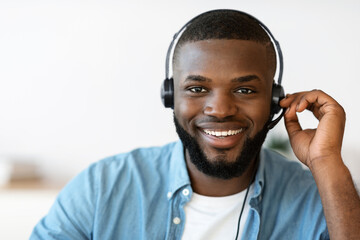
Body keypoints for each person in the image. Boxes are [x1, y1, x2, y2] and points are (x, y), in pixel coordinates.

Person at [30, 9, 360, 240]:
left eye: (244, 90)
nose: (219, 109)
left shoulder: (320, 200)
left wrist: (326, 161)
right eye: (197, 89)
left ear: (276, 100)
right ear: (171, 95)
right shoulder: (100, 188)